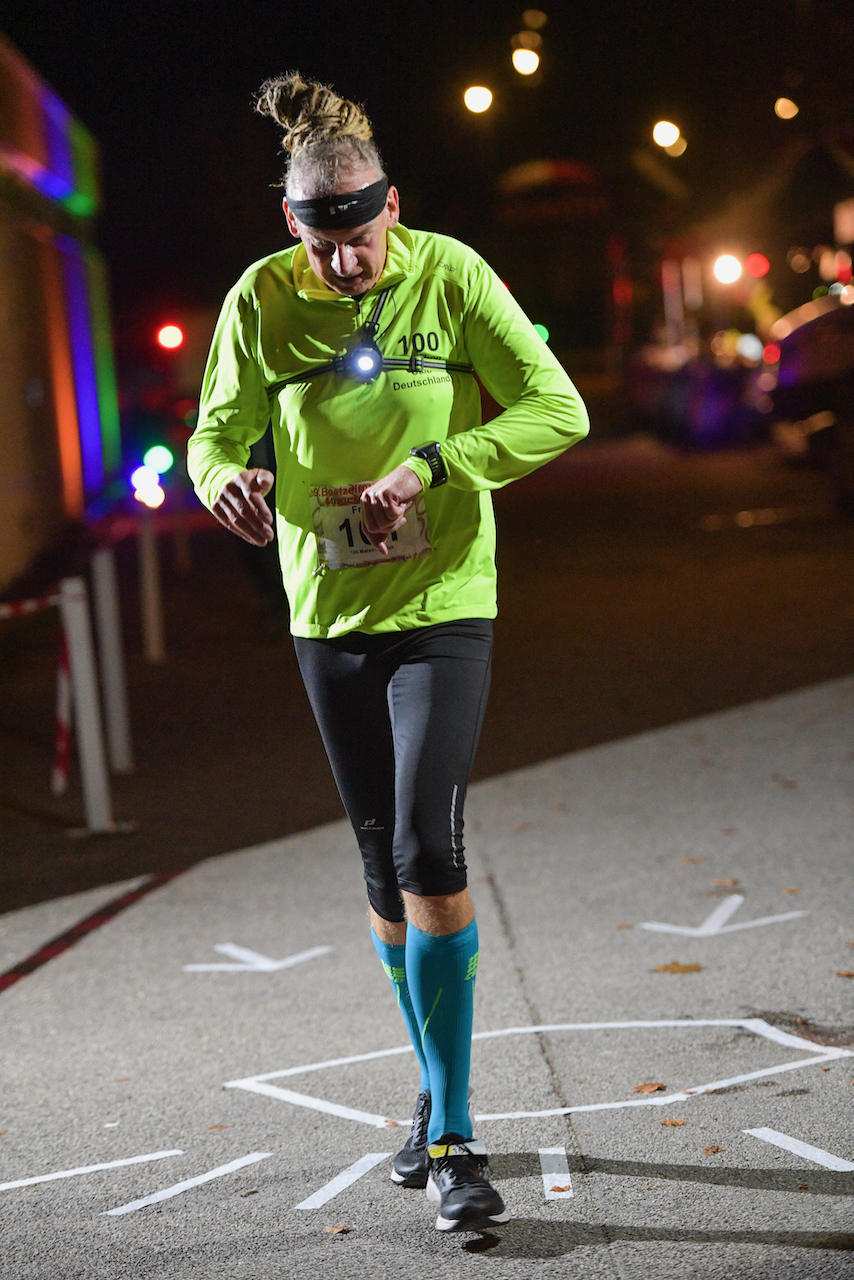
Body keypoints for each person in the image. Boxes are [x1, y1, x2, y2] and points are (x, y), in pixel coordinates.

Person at [187, 72, 589, 1233]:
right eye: (327, 244)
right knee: (378, 871)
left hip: (446, 598)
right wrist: (227, 479)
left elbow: (553, 408)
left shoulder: (452, 274)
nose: (349, 263)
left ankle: (457, 1135)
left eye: (364, 235)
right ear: (291, 227)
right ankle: (434, 1086)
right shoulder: (259, 301)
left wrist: (436, 465)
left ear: (392, 206)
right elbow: (216, 430)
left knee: (427, 848)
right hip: (326, 611)